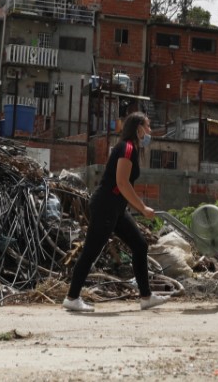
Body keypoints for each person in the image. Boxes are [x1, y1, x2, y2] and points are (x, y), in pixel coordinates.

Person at [63, 111, 169, 312]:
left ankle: (146, 297)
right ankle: (72, 297)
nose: (150, 131)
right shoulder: (127, 149)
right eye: (147, 126)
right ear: (138, 128)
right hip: (106, 206)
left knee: (139, 245)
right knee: (91, 251)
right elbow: (121, 182)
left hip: (116, 208)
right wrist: (143, 207)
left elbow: (123, 184)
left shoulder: (132, 149)